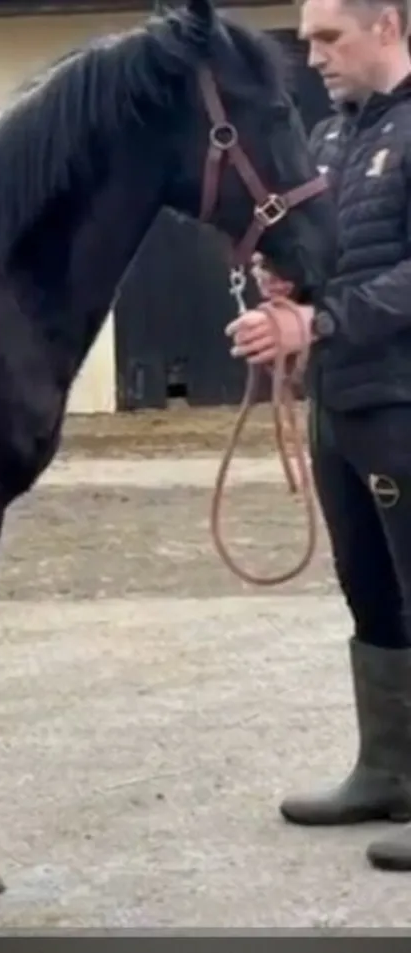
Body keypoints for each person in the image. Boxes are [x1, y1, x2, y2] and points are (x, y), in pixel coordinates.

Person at [229, 0, 411, 872]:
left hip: (405, 401)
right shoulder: (331, 141)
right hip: (341, 404)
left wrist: (323, 323)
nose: (312, 58)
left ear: (388, 26)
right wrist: (285, 291)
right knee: (369, 592)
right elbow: (331, 256)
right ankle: (388, 771)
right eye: (306, 41)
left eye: (328, 38)